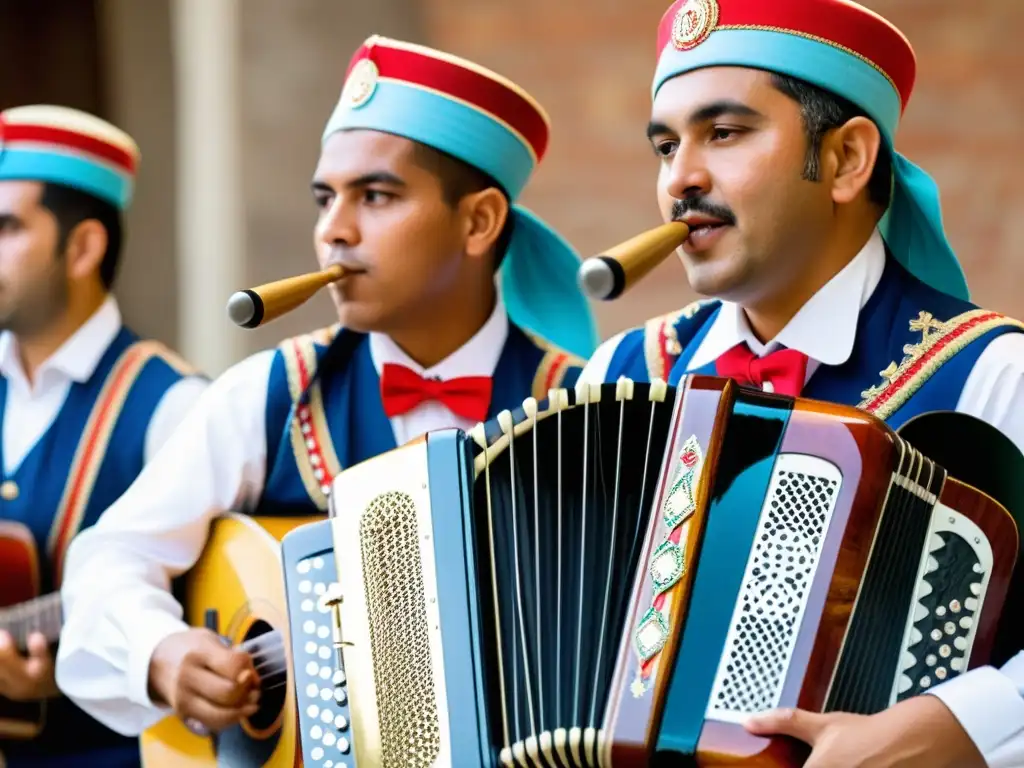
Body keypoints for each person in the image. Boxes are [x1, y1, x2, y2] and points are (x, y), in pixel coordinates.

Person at [53, 35, 598, 740]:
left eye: (375, 196)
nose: (332, 232)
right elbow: (110, 557)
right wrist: (161, 652)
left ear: (479, 221)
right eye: (324, 198)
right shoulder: (267, 395)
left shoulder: (585, 404)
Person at [580, 0, 1024, 766]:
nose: (680, 179)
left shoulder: (991, 375)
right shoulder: (621, 375)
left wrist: (960, 728)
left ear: (849, 158)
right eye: (664, 146)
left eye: (723, 133)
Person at [0, 105, 207, 766]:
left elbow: (212, 614)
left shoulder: (174, 406)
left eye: (6, 227)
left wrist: (75, 674)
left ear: (83, 247)